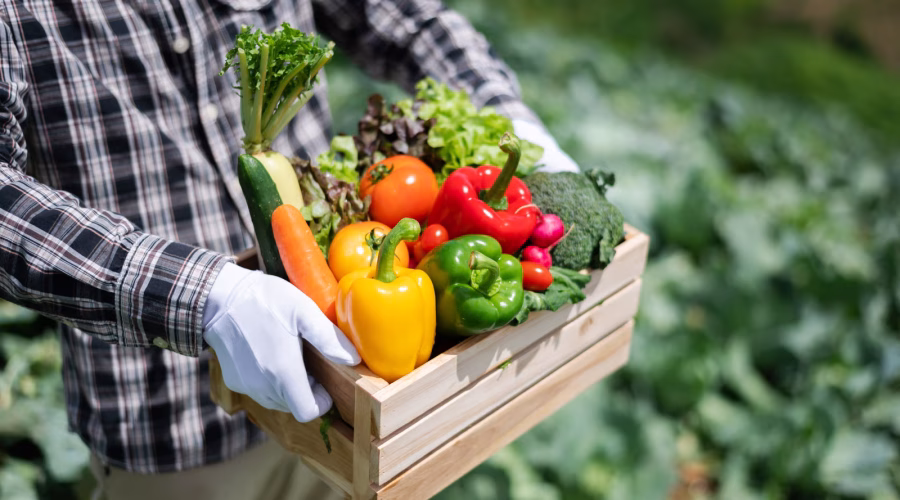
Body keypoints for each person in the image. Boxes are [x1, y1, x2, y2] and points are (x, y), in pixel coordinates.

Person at [0, 1, 579, 498]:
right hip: (169, 431)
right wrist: (205, 296)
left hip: (356, 399)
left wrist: (504, 108)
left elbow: (404, 17)